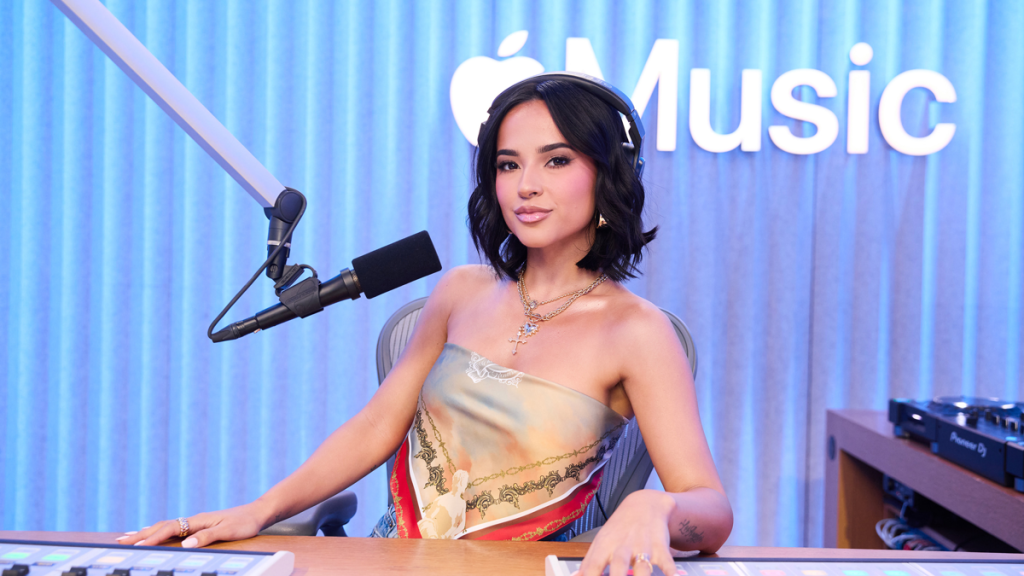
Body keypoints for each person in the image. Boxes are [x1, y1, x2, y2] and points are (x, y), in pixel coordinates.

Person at [119, 74, 733, 576]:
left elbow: (711, 511)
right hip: (392, 562)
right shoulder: (461, 290)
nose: (527, 186)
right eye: (508, 164)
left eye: (557, 160)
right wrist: (262, 509)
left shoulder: (638, 332)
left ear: (608, 174)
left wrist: (655, 506)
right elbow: (377, 425)